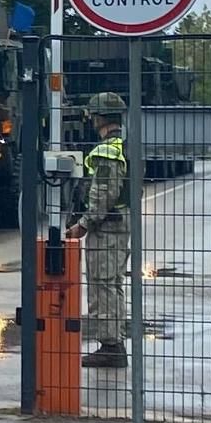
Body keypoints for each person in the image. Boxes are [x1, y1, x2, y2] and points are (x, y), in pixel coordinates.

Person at [71, 91, 130, 369]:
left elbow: (103, 193)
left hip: (107, 227)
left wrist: (83, 224)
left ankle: (110, 346)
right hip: (119, 224)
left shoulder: (108, 150)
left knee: (102, 284)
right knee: (112, 284)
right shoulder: (125, 145)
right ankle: (114, 341)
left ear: (98, 117)